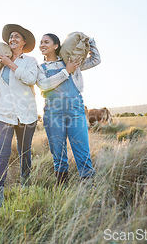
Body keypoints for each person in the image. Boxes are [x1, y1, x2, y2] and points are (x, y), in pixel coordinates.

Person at [0, 24, 39, 208]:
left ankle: (26, 186)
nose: (12, 39)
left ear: (24, 42)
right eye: (10, 37)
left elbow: (30, 79)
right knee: (2, 152)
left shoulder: (30, 61)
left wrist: (10, 64)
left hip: (26, 114)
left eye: (17, 37)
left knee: (25, 152)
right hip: (3, 114)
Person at [36, 33, 101, 185]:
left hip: (75, 109)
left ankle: (88, 187)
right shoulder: (40, 68)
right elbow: (44, 85)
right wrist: (67, 71)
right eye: (41, 43)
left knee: (82, 149)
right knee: (58, 153)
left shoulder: (71, 62)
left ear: (56, 46)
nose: (42, 45)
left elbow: (96, 60)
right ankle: (62, 188)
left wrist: (89, 40)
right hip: (53, 112)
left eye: (46, 42)